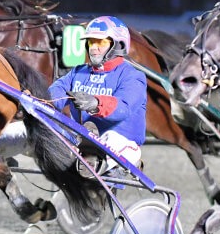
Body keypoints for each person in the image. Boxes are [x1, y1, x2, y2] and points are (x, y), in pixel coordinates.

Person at [49, 15, 147, 176]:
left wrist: (95, 103)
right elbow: (54, 94)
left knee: (110, 137)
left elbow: (123, 107)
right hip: (83, 141)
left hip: (122, 144)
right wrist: (35, 100)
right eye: (91, 42)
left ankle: (92, 161)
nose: (94, 47)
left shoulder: (132, 76)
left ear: (118, 45)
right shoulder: (78, 72)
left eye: (100, 42)